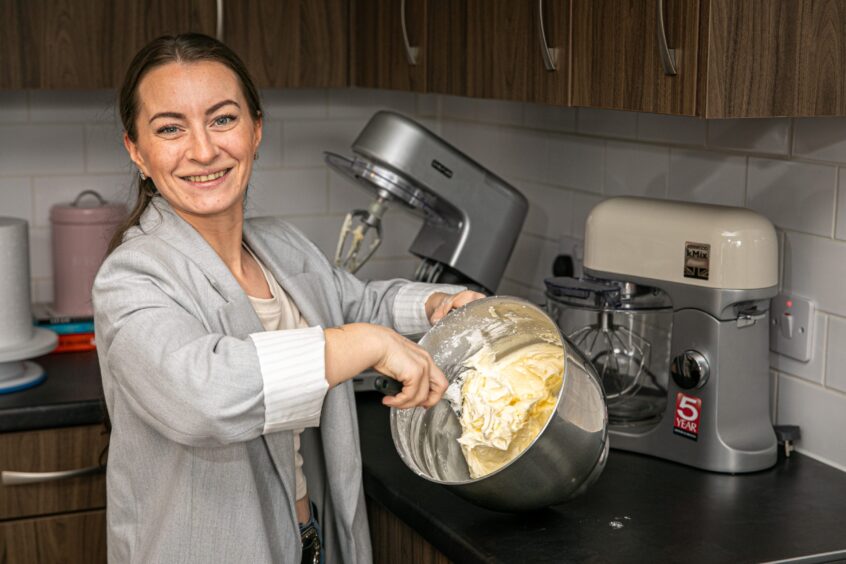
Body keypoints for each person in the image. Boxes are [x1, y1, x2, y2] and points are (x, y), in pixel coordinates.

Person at [92, 33, 483, 564]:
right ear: (137, 151)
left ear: (256, 130)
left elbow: (355, 303)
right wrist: (364, 343)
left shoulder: (279, 244)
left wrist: (436, 305)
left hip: (306, 539)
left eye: (223, 119)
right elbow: (204, 396)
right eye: (170, 129)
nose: (204, 150)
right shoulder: (131, 277)